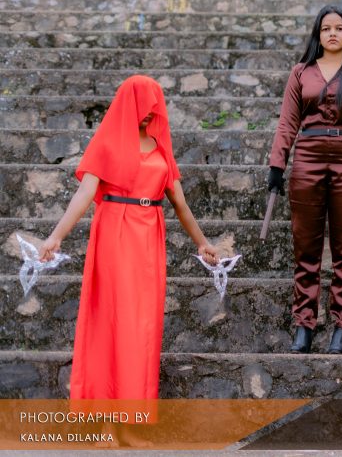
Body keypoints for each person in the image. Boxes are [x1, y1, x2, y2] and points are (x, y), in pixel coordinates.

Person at [39, 75, 218, 399]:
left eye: (153, 106)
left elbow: (180, 203)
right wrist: (56, 236)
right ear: (126, 104)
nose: (148, 112)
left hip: (148, 237)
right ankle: (106, 411)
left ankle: (133, 409)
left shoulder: (161, 149)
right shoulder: (107, 143)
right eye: (141, 105)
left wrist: (202, 242)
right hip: (115, 233)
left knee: (142, 323)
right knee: (112, 319)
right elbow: (84, 194)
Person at [268, 5, 342, 355]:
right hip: (307, 156)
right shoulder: (300, 72)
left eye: (339, 28)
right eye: (326, 28)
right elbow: (287, 122)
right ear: (317, 35)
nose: (332, 33)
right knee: (305, 248)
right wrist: (277, 164)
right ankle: (304, 324)